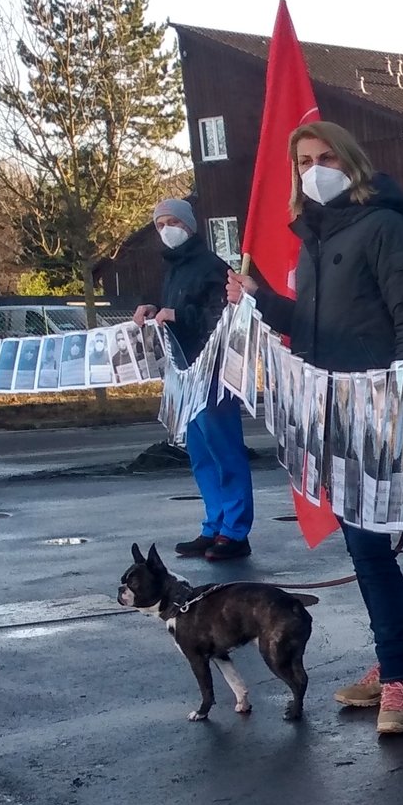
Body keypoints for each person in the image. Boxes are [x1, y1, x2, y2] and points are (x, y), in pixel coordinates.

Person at [228, 120, 403, 735]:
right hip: (332, 412)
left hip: (376, 409)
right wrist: (260, 297)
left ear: (350, 162)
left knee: (371, 550)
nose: (312, 169)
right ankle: (396, 661)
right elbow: (314, 326)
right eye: (302, 161)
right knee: (363, 548)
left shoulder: (384, 227)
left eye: (324, 157)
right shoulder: (315, 238)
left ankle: (402, 674)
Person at [139, 200, 237, 558]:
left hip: (211, 372)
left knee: (224, 451)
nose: (166, 229)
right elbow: (174, 311)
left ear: (190, 225)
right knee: (200, 454)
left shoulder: (212, 267)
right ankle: (214, 525)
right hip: (183, 375)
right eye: (160, 223)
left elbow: (223, 315)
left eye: (173, 222)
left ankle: (234, 531)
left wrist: (179, 314)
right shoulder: (173, 271)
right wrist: (154, 310)